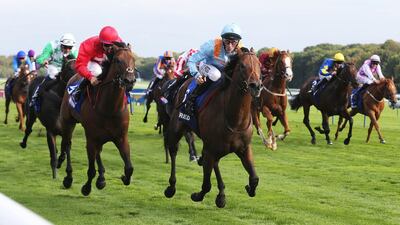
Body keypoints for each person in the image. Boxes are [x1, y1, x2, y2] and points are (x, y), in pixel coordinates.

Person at [184, 23, 243, 116]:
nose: (230, 46)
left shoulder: (241, 50)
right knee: (216, 75)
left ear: (238, 42)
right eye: (227, 42)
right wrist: (197, 75)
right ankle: (191, 99)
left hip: (224, 70)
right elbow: (191, 60)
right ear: (222, 40)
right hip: (207, 66)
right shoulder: (212, 46)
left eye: (233, 42)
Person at [71, 26, 123, 103]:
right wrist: (90, 77)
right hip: (91, 62)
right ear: (101, 42)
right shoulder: (88, 45)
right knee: (97, 71)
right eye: (106, 45)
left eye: (112, 45)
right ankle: (79, 89)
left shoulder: (119, 44)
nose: (109, 48)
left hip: (104, 62)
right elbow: (80, 65)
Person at [31, 33, 78, 104]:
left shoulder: (74, 51)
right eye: (65, 47)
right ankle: (36, 95)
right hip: (54, 66)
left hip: (65, 69)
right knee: (53, 74)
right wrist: (43, 61)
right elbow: (40, 58)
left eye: (70, 47)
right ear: (61, 44)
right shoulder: (52, 45)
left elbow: (79, 62)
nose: (67, 50)